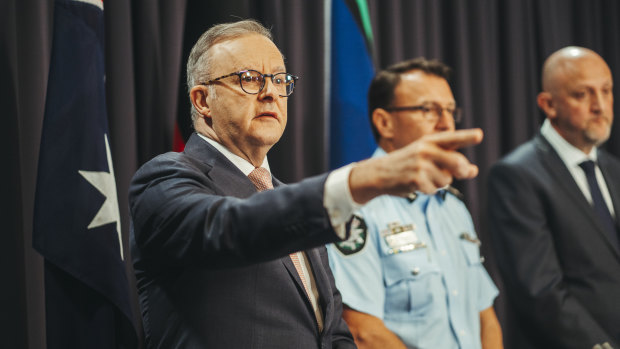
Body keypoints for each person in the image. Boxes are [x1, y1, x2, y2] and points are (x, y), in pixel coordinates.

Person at [129, 20, 483, 348]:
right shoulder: (163, 179)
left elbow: (333, 332)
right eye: (249, 78)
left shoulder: (289, 200)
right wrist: (362, 179)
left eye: (280, 80)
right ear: (203, 100)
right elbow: (227, 227)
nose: (270, 93)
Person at [327, 58, 503, 349]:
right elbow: (362, 331)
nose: (446, 123)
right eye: (429, 110)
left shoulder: (453, 207)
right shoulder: (357, 207)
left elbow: (485, 316)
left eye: (449, 110)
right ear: (385, 122)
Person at [488, 46, 620, 349]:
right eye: (582, 95)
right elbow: (540, 291)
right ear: (548, 104)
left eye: (606, 90)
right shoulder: (516, 175)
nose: (600, 105)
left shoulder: (614, 170)